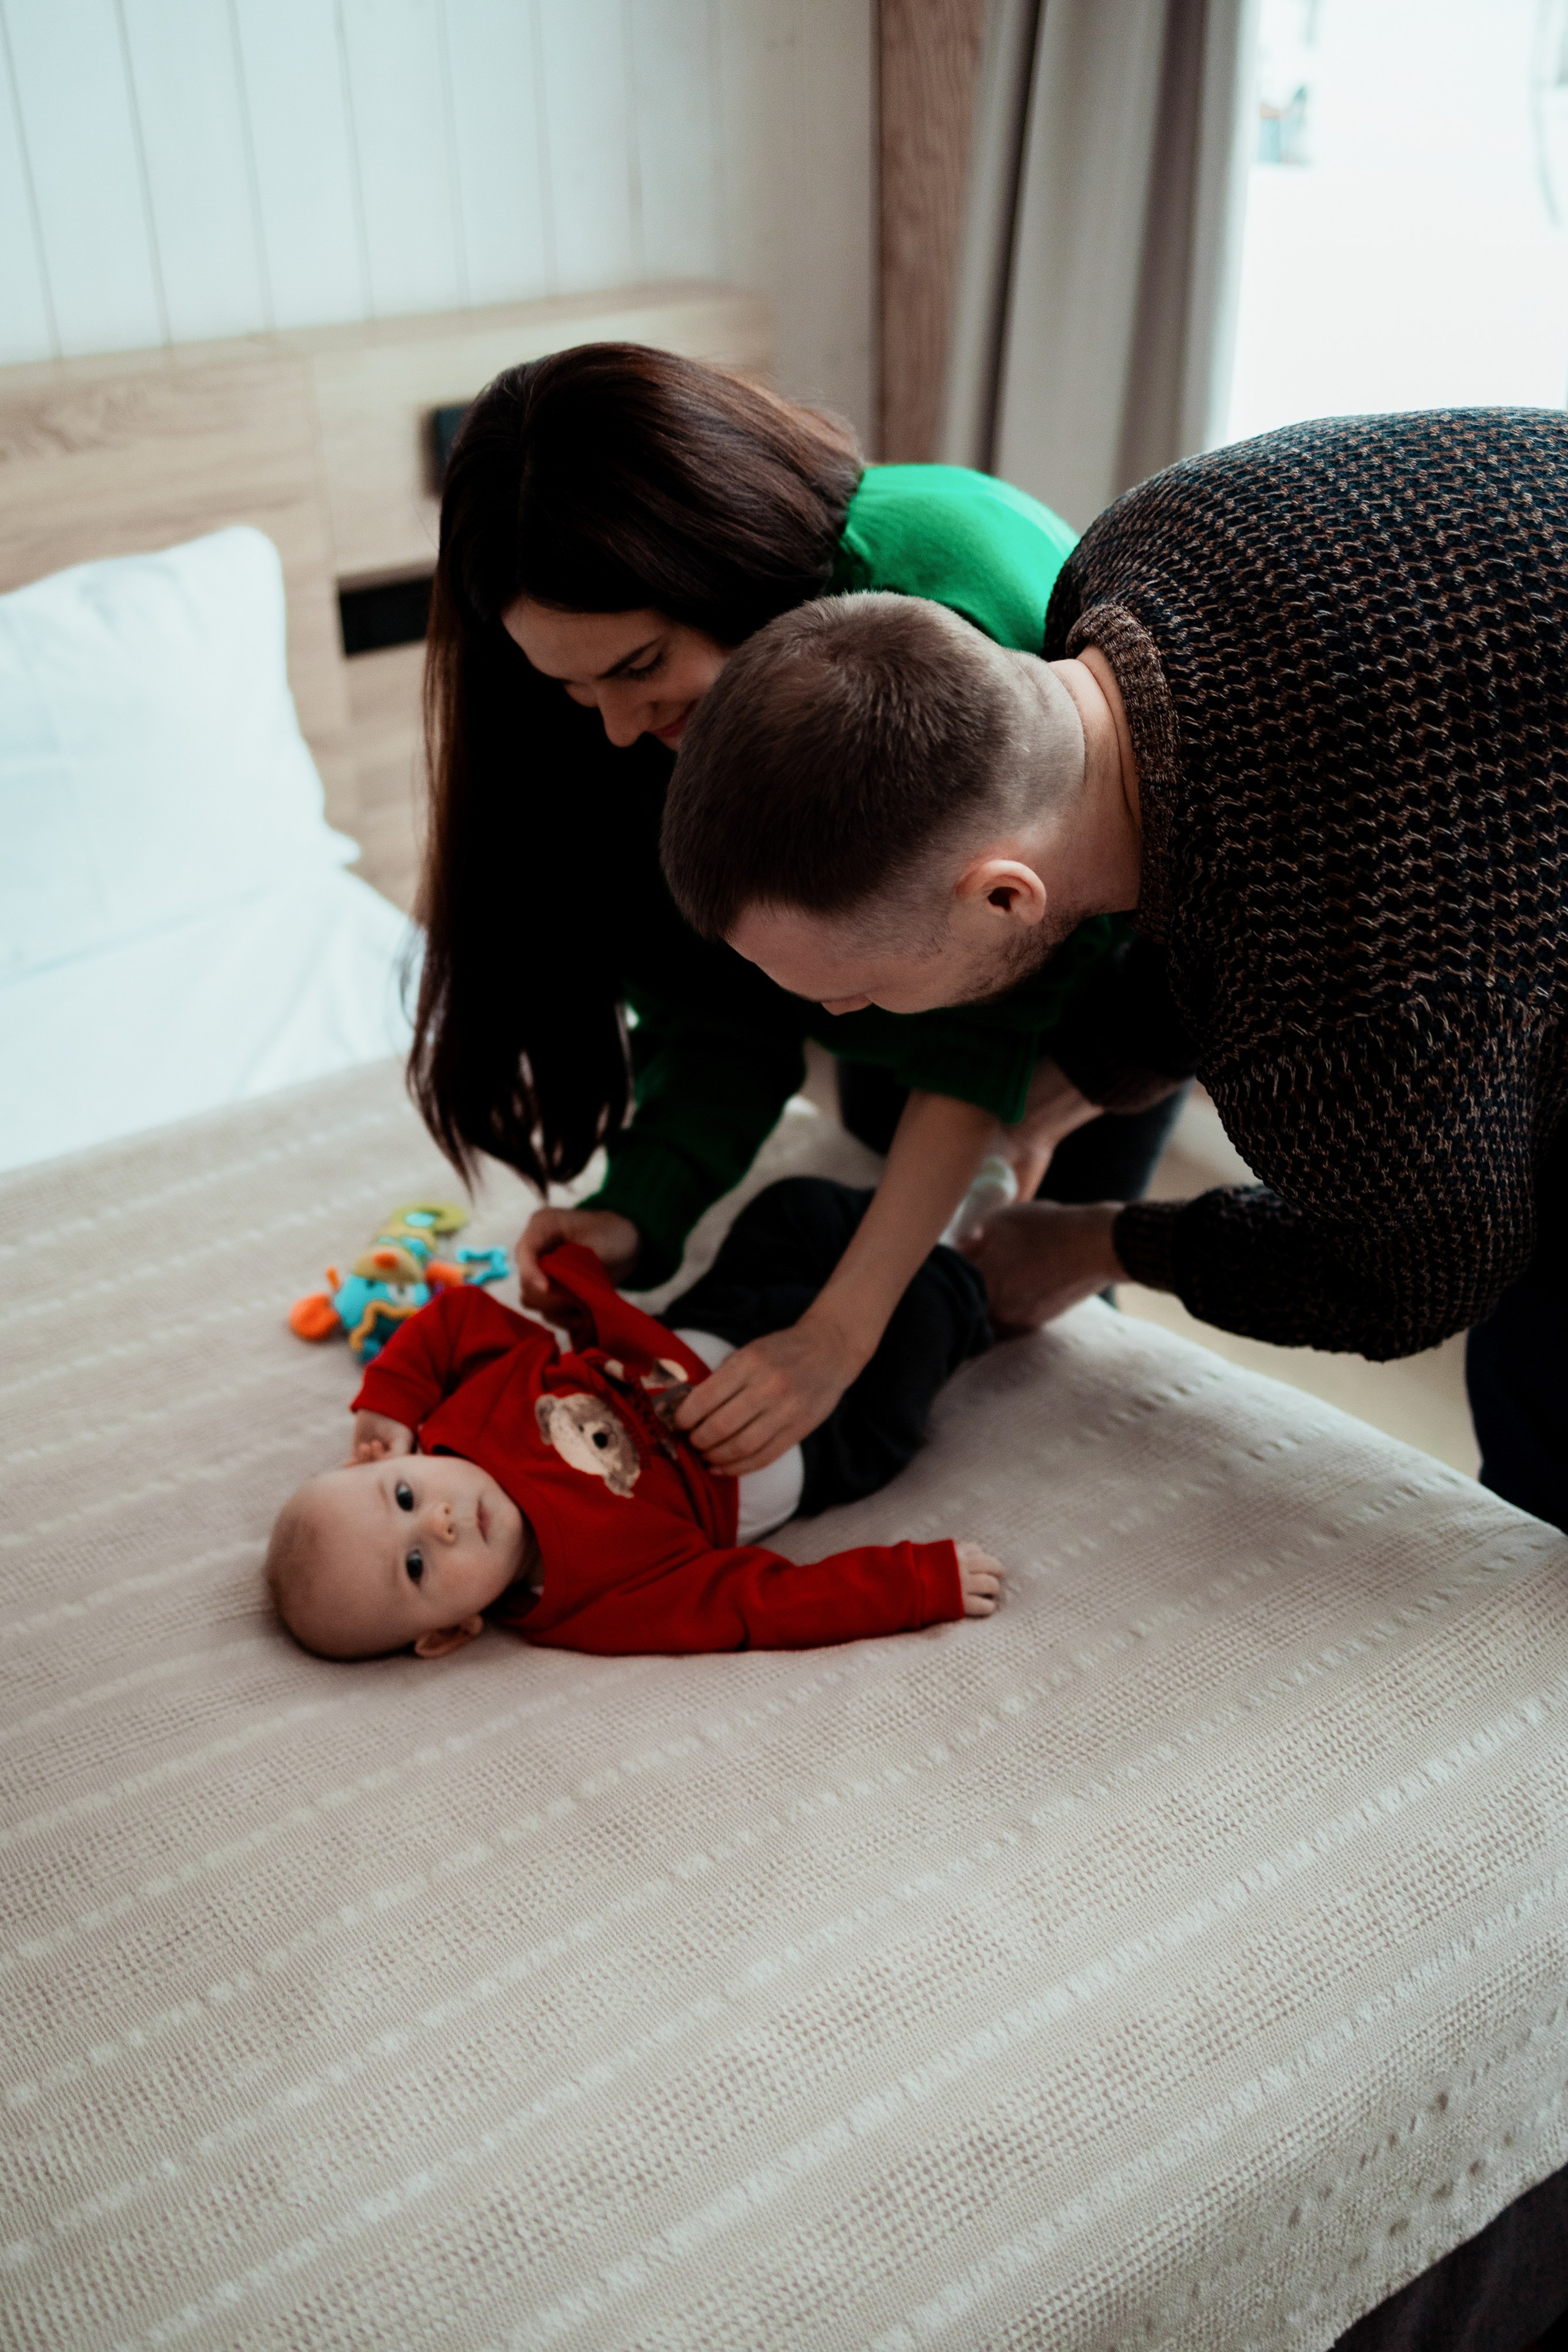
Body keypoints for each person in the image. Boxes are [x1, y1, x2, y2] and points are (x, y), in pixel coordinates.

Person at [657, 409, 1568, 1531]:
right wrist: (1083, 1078)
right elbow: (1234, 844)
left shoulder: (1336, 1027)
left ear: (1005, 895)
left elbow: (1416, 1275)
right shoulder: (1146, 543)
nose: (840, 1014)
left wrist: (1095, 1241)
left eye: (860, 987)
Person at [410, 343, 1182, 1486]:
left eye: (638, 666)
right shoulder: (621, 737)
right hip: (924, 1001)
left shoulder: (966, 585)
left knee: (1027, 1319)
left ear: (723, 560)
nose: (619, 728)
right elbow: (722, 1010)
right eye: (576, 694)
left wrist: (844, 1330)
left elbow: (983, 1036)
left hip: (1088, 998)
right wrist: (642, 1205)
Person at [266, 1177, 1003, 1660]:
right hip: (825, 1432)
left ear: (387, 1460)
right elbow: (760, 1606)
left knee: (794, 1209)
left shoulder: (465, 1419)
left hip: (707, 1323)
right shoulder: (591, 1605)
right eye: (418, 1566)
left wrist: (389, 1400)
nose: (440, 1523)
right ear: (449, 1633)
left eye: (403, 1496)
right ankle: (974, 1248)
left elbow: (457, 1317)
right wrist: (913, 1584)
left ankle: (930, 1204)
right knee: (934, 1310)